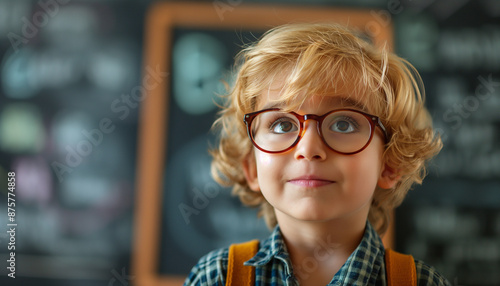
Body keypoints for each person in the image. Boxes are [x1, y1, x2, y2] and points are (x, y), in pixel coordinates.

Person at [184, 23, 450, 285]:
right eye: (282, 125)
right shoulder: (216, 278)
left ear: (389, 164)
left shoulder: (422, 282)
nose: (309, 148)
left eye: (343, 124)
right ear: (251, 166)